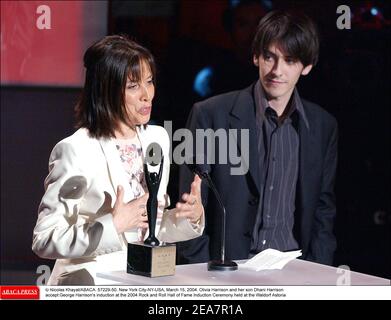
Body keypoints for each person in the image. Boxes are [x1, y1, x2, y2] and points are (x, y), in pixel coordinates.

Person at [32, 35, 204, 285]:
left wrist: (188, 216)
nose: (147, 95)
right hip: (91, 283)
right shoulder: (76, 149)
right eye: (133, 86)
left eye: (149, 81)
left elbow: (149, 228)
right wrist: (112, 225)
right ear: (106, 91)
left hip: (145, 280)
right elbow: (44, 238)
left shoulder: (157, 139)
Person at [178, 10, 338, 266]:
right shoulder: (210, 114)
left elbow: (322, 209)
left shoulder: (323, 126)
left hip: (296, 267)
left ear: (306, 66)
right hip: (226, 270)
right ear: (256, 57)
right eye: (269, 57)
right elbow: (189, 206)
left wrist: (320, 273)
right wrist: (201, 274)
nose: (277, 70)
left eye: (290, 60)